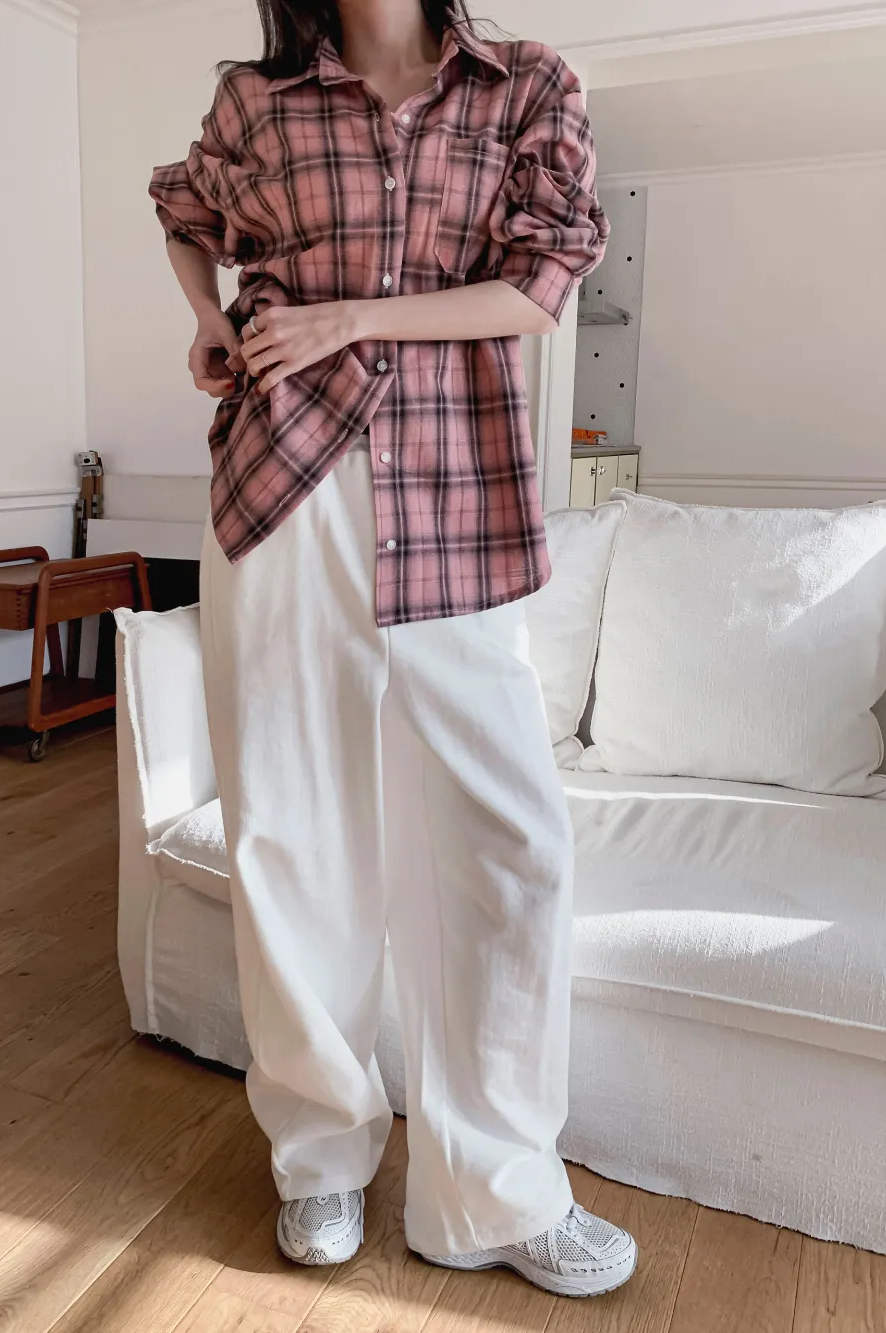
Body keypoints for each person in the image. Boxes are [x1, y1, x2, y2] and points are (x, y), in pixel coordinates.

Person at [149, 0, 636, 1299]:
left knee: (510, 844)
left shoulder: (525, 84)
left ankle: (499, 1189)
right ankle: (318, 1155)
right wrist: (206, 319)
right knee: (293, 829)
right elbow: (183, 208)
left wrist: (347, 318)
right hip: (282, 490)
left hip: (457, 493)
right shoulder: (258, 100)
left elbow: (540, 287)